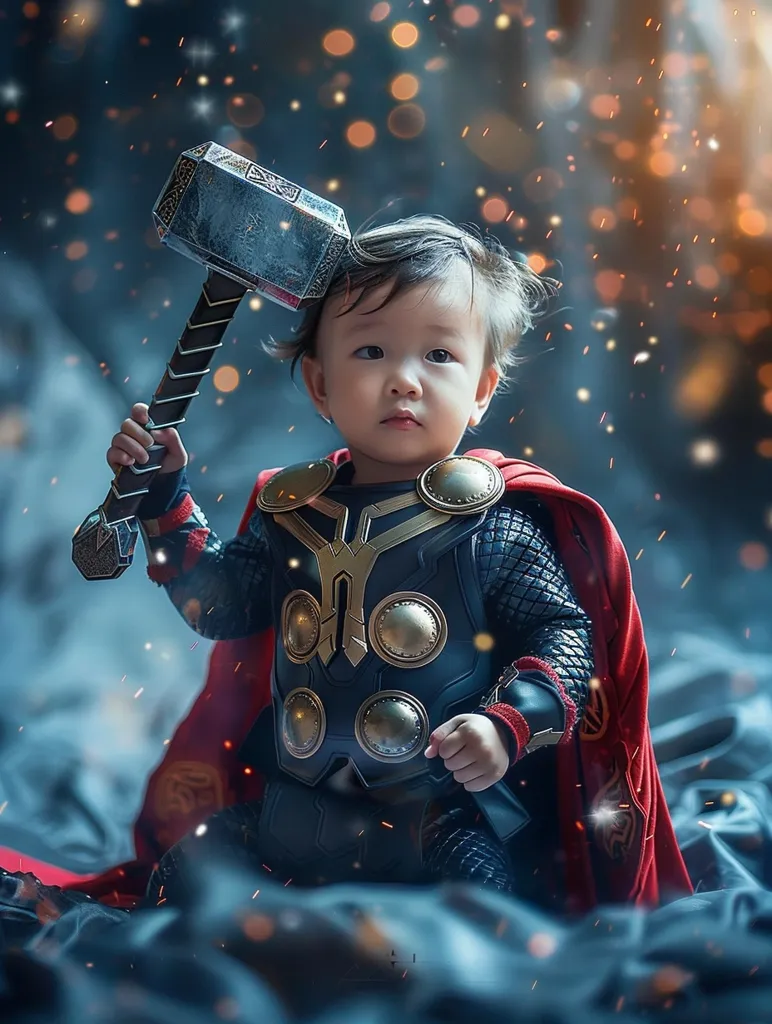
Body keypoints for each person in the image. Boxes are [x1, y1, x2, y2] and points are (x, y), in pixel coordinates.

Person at [77, 216, 691, 914]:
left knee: (486, 926)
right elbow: (217, 604)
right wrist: (163, 496)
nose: (404, 381)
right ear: (319, 385)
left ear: (483, 388)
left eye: (438, 356)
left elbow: (563, 636)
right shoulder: (291, 514)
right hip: (289, 813)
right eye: (371, 351)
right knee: (180, 885)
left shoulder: (493, 525)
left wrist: (504, 725)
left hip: (434, 826)